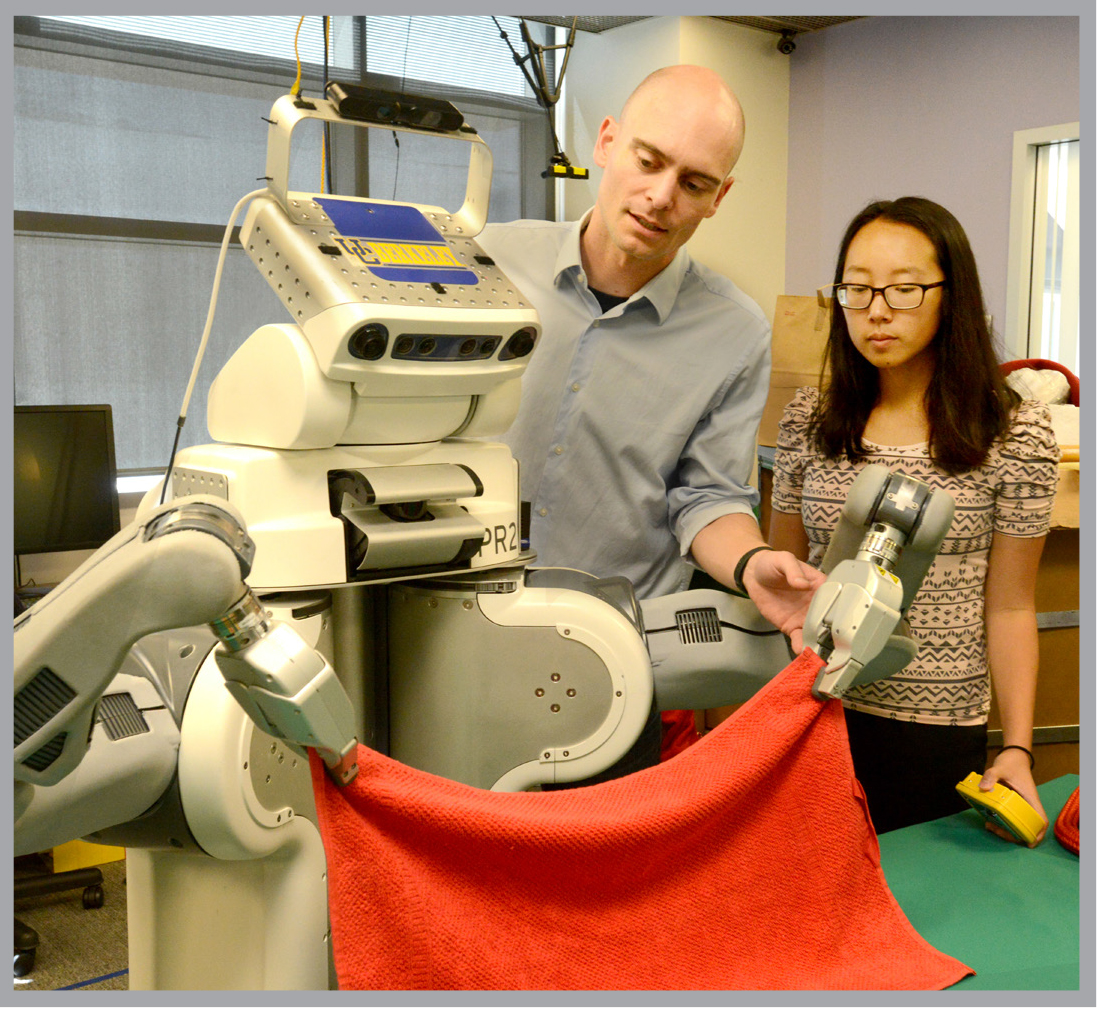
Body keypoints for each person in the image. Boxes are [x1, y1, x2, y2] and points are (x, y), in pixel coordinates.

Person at [477, 65, 824, 775]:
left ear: (718, 198)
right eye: (649, 160)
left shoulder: (733, 330)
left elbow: (708, 497)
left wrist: (752, 563)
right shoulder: (488, 261)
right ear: (606, 142)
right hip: (455, 638)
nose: (660, 196)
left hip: (610, 661)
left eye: (694, 182)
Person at [768, 196, 1059, 840]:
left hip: (934, 728)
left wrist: (1016, 747)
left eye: (904, 290)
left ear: (949, 296)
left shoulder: (1013, 432)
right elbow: (783, 582)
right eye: (856, 289)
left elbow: (1010, 607)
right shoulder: (807, 423)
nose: (876, 311)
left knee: (918, 910)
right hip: (814, 715)